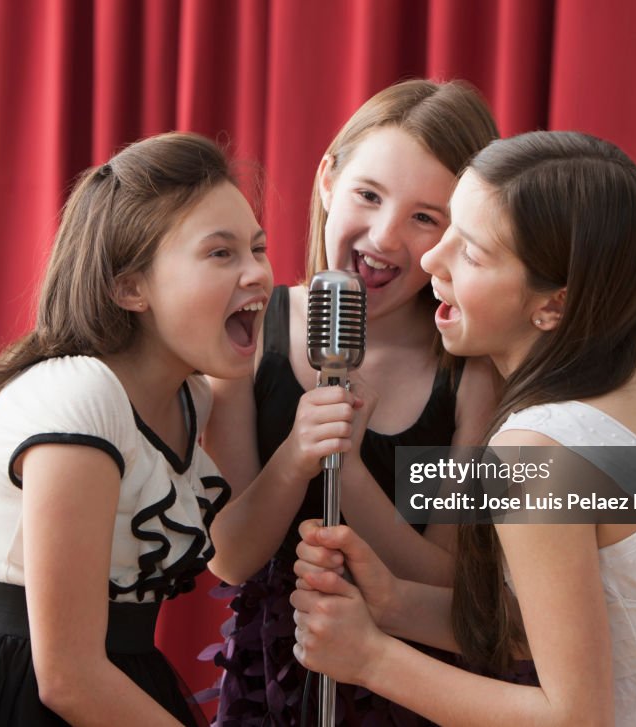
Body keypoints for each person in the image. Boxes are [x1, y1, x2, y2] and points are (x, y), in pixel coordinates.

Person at [290, 130, 636, 725]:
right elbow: (616, 621)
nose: (433, 257)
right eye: (449, 227)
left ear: (553, 305)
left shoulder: (531, 452)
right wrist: (398, 603)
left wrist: (371, 660)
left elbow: (573, 715)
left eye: (474, 253)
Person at [0, 132, 273, 726]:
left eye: (258, 249)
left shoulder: (192, 398)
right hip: (18, 698)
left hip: (122, 683)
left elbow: (235, 556)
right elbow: (67, 677)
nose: (258, 274)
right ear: (129, 286)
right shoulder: (79, 396)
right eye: (221, 253)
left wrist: (304, 452)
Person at [201, 79, 529, 726]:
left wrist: (347, 471)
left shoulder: (466, 376)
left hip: (415, 683)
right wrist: (299, 453)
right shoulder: (250, 326)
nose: (383, 236)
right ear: (328, 178)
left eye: (425, 218)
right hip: (276, 675)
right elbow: (231, 554)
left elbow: (447, 580)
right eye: (369, 195)